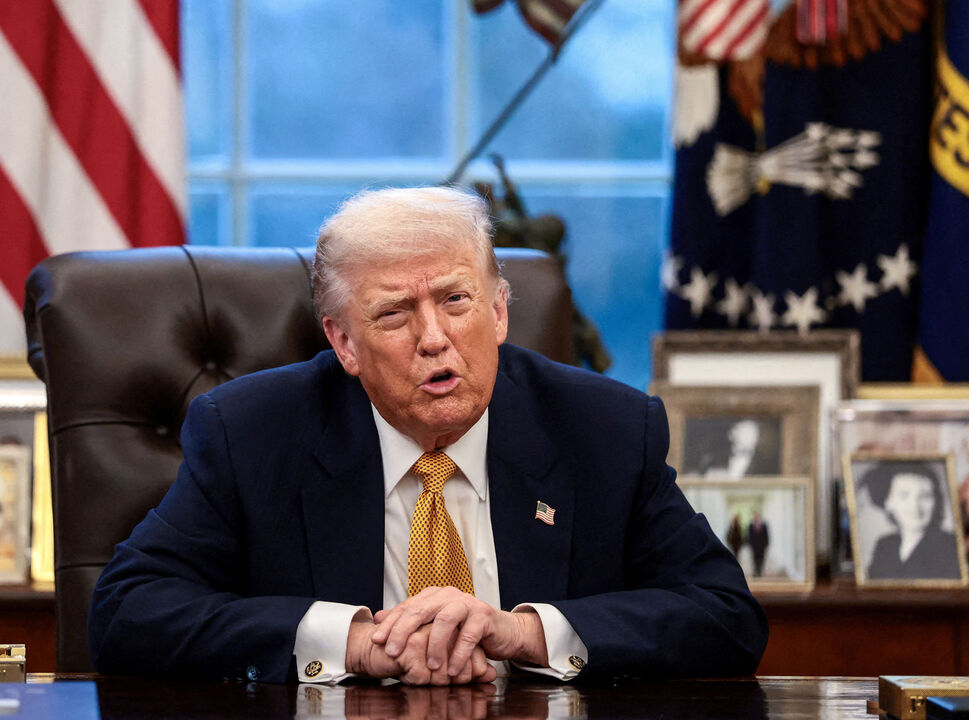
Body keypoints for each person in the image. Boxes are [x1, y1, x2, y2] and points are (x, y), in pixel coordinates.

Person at [89, 186, 766, 684]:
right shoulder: (251, 433)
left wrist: (523, 632)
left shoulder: (606, 429)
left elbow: (725, 617)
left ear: (499, 312)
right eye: (393, 314)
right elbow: (127, 614)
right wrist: (348, 642)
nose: (434, 339)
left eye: (455, 300)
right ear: (344, 343)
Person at [862, 461, 962, 580]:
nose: (915, 506)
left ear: (936, 502)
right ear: (888, 502)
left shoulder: (950, 545)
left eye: (925, 496)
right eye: (904, 496)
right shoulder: (884, 546)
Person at [746, 509, 769, 577]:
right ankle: (755, 572)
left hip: (762, 545)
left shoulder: (764, 525)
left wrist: (766, 544)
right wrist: (750, 544)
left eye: (757, 516)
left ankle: (759, 571)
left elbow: (766, 535)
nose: (756, 517)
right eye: (755, 516)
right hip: (754, 546)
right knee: (754, 559)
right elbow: (749, 536)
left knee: (761, 559)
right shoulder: (751, 525)